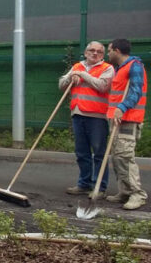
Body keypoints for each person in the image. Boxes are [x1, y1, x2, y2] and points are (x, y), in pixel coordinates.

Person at [59, 41, 114, 197]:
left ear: (103, 55)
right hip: (78, 114)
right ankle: (84, 184)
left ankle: (99, 188)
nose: (95, 53)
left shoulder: (107, 68)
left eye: (99, 52)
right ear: (85, 52)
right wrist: (70, 77)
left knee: (98, 153)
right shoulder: (76, 67)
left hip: (97, 116)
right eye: (91, 50)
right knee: (81, 152)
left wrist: (83, 75)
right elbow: (61, 84)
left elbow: (102, 86)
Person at [105, 38, 147, 210]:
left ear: (116, 50)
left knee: (125, 157)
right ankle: (125, 191)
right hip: (116, 118)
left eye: (109, 50)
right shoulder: (120, 68)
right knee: (117, 157)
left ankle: (138, 194)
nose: (108, 54)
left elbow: (136, 90)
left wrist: (122, 107)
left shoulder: (134, 65)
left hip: (128, 118)